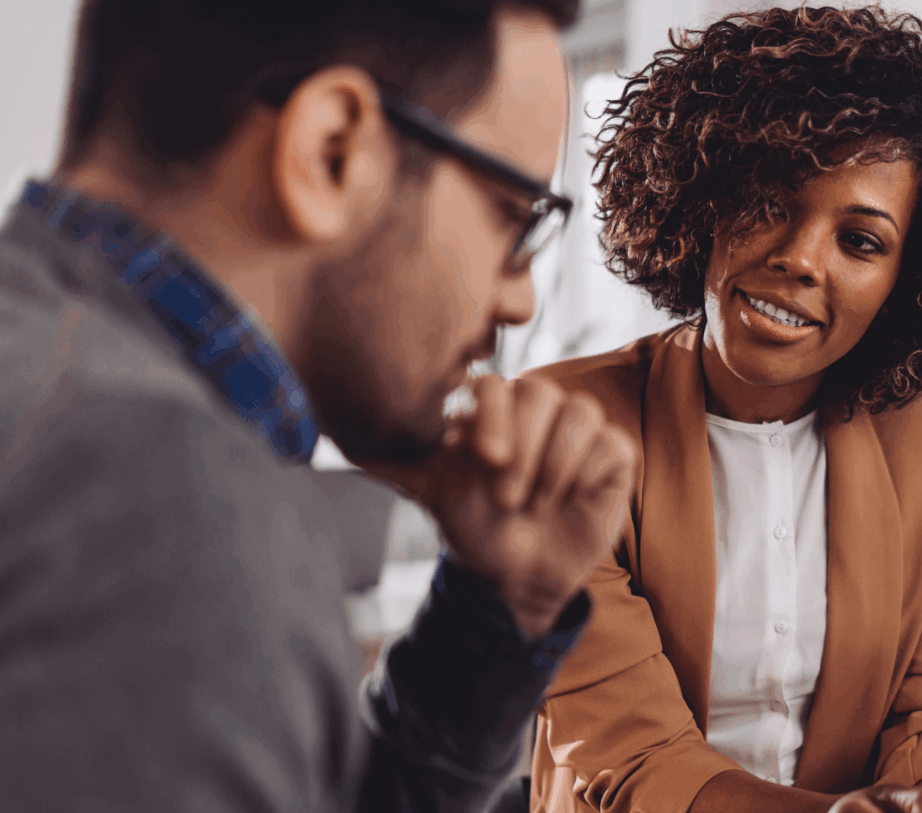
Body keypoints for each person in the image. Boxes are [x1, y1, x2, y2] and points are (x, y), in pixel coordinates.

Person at [0, 0, 643, 811]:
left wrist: (494, 613)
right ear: (332, 151)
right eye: (514, 221)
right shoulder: (171, 504)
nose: (519, 298)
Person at [527, 6, 922, 813]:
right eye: (769, 200)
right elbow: (632, 757)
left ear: (907, 278)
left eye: (860, 241)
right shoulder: (561, 427)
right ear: (705, 196)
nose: (797, 258)